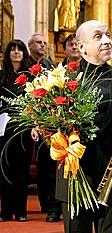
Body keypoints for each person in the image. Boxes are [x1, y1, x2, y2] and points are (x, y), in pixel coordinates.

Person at [55, 20, 112, 233]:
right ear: (81, 47)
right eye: (98, 36)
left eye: (108, 35)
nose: (107, 40)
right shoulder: (62, 80)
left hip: (111, 175)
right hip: (75, 174)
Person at [28, 33, 62, 222]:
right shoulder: (24, 66)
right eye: (38, 43)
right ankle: (44, 203)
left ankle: (51, 204)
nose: (42, 45)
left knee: (50, 165)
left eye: (44, 43)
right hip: (28, 120)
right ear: (30, 46)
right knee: (41, 165)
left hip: (48, 121)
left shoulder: (50, 66)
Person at [0, 39, 32, 222]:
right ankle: (5, 210)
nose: (16, 52)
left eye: (20, 49)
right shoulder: (1, 75)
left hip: (23, 126)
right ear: (8, 54)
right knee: (4, 167)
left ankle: (21, 211)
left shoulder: (30, 77)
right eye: (13, 49)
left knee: (21, 168)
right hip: (3, 126)